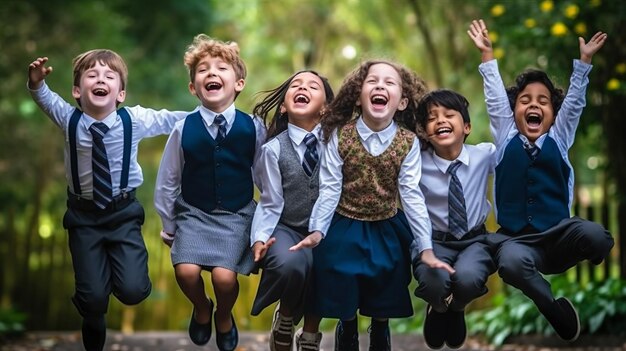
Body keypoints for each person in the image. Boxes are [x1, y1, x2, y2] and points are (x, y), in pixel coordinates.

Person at [27, 50, 190, 351]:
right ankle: (93, 307)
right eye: (92, 75)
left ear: (121, 93)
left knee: (134, 291)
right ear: (77, 91)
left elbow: (172, 120)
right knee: (93, 300)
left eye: (109, 76)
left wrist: (210, 116)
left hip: (123, 213)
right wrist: (36, 83)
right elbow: (45, 99)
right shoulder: (69, 119)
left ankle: (111, 280)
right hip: (83, 217)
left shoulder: (135, 120)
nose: (100, 79)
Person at [290, 60, 454, 351]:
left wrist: (425, 246)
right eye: (372, 81)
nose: (380, 86)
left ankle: (380, 330)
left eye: (389, 83)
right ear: (357, 95)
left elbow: (411, 194)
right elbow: (330, 187)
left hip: (387, 224)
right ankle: (348, 328)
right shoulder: (342, 135)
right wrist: (317, 230)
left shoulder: (408, 142)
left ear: (402, 102)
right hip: (344, 222)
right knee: (340, 275)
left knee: (386, 279)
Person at [468, 19, 614, 342]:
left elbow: (574, 104)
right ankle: (554, 309)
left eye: (543, 101)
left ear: (552, 112)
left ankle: (576, 256)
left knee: (600, 237)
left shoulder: (559, 138)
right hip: (517, 244)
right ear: (514, 110)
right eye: (525, 100)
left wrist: (584, 64)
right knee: (510, 263)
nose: (533, 104)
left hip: (559, 236)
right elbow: (494, 99)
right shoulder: (506, 136)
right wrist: (487, 55)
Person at [154, 34, 265, 351]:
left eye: (221, 68)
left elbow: (263, 177)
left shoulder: (253, 127)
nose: (211, 73)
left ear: (239, 83)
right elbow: (168, 179)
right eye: (203, 69)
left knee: (224, 278)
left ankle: (225, 315)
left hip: (236, 214)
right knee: (186, 272)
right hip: (193, 212)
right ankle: (202, 308)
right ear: (193, 87)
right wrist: (168, 222)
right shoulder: (183, 127)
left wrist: (263, 226)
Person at [249, 70, 334, 351]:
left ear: (325, 107)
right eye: (296, 85)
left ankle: (310, 333)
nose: (303, 88)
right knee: (292, 264)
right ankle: (285, 318)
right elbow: (270, 200)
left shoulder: (337, 143)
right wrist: (259, 237)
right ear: (284, 106)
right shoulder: (273, 149)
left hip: (328, 227)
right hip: (287, 226)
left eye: (313, 86)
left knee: (326, 267)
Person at [413, 89, 497, 349]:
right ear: (426, 132)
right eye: (432, 118)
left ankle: (457, 307)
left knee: (469, 278)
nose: (440, 120)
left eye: (449, 115)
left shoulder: (485, 155)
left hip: (475, 240)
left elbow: (514, 143)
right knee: (433, 282)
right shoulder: (415, 163)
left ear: (467, 127)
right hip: (434, 242)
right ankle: (438, 308)